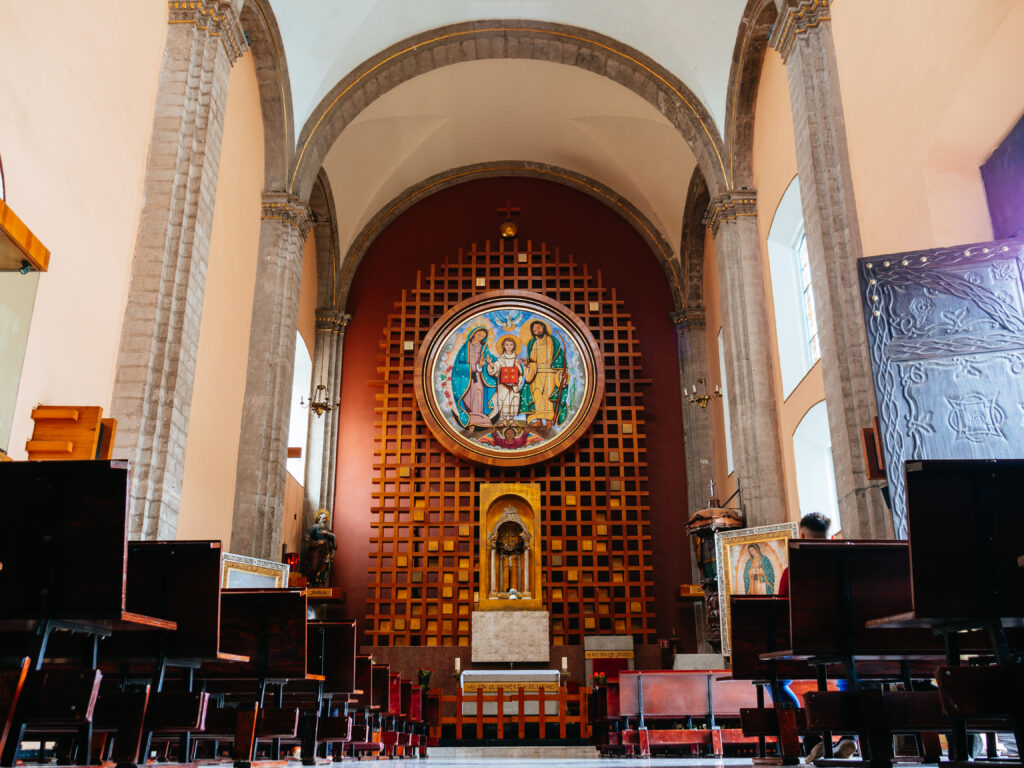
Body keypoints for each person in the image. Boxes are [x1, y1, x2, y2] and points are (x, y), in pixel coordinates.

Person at [776, 512, 858, 762]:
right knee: (848, 675)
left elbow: (782, 615)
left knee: (775, 679)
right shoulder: (847, 567)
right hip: (845, 644)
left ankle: (811, 740)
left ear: (801, 536)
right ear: (830, 537)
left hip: (804, 645)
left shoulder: (792, 572)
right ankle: (848, 737)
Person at [520, 320, 569, 426]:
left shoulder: (553, 342)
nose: (536, 330)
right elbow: (532, 361)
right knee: (537, 395)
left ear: (544, 328)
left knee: (548, 396)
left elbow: (560, 360)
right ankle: (538, 420)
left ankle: (548, 420)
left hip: (551, 373)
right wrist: (527, 365)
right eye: (534, 329)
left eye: (538, 328)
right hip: (536, 373)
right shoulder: (532, 343)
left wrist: (563, 374)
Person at [452, 326, 496, 428]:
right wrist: (473, 367)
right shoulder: (465, 347)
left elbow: (493, 360)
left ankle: (479, 418)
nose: (480, 337)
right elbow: (457, 366)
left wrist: (485, 365)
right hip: (464, 378)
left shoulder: (484, 348)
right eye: (479, 334)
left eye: (483, 336)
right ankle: (470, 419)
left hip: (478, 376)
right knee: (467, 397)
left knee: (478, 394)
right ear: (473, 333)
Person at [486, 335, 525, 426]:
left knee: (513, 400)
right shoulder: (501, 359)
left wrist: (517, 378)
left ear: (514, 346)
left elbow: (520, 372)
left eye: (511, 344)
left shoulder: (516, 359)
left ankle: (511, 420)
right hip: (503, 385)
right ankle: (503, 420)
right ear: (503, 346)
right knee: (503, 400)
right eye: (507, 344)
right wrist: (490, 363)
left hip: (514, 384)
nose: (509, 346)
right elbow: (495, 369)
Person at [301, 509, 337, 587]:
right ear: (318, 519)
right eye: (323, 518)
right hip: (316, 551)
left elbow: (333, 537)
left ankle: (318, 583)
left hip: (325, 551)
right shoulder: (315, 527)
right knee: (313, 566)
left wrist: (327, 534)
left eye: (325, 519)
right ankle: (309, 580)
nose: (324, 520)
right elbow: (307, 537)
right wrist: (314, 543)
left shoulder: (326, 530)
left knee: (323, 567)